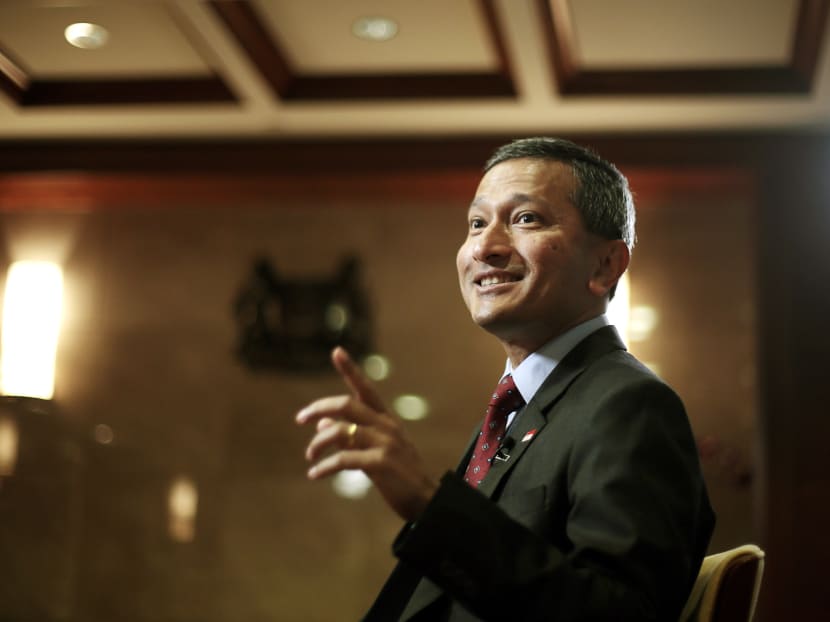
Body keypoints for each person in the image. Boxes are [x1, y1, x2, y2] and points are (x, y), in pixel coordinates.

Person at [296, 137, 715, 621]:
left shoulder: (630, 404)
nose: (485, 247)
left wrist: (432, 507)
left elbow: (618, 612)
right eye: (477, 223)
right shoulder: (519, 407)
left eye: (525, 219)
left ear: (605, 265)